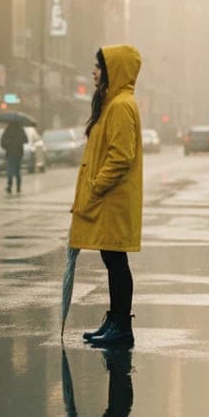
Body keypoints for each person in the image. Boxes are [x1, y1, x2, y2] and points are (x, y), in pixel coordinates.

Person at [70, 46, 144, 348]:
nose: (93, 72)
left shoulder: (120, 106)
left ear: (114, 70)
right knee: (111, 258)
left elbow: (121, 156)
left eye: (99, 66)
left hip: (113, 199)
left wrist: (97, 186)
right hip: (109, 199)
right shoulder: (114, 103)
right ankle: (115, 320)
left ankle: (121, 326)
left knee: (115, 260)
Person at [0, 119, 27, 194]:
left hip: (10, 153)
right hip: (18, 153)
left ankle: (9, 186)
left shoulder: (8, 129)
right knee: (17, 171)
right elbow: (26, 140)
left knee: (10, 170)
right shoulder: (20, 129)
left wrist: (7, 145)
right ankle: (18, 187)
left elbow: (2, 142)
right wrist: (19, 141)